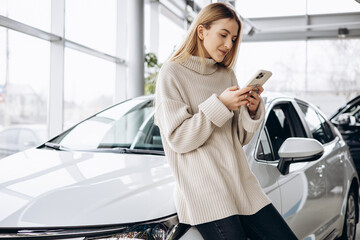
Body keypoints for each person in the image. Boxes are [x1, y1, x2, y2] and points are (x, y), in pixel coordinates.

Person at [154, 2, 298, 240]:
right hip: (207, 196)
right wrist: (220, 105)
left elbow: (238, 138)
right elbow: (179, 139)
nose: (229, 44)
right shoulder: (172, 73)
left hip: (242, 187)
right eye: (223, 35)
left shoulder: (225, 74)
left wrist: (250, 111)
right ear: (202, 31)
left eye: (233, 38)